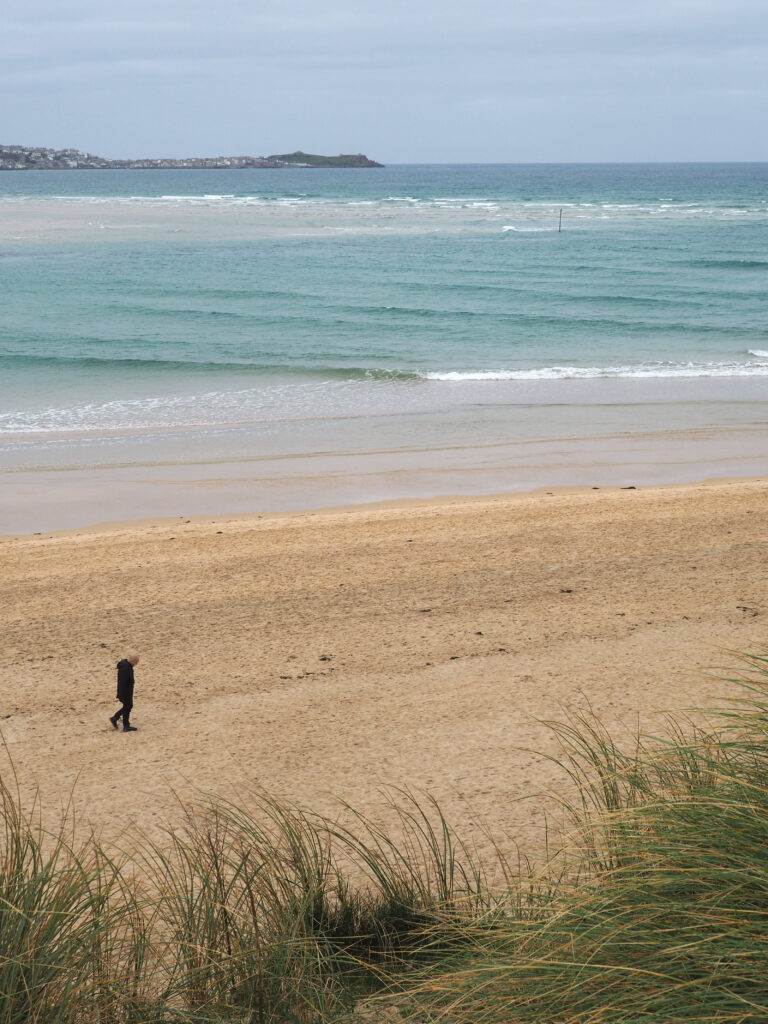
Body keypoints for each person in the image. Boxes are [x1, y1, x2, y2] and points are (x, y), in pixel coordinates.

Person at [110, 654, 139, 732]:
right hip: (125, 691)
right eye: (136, 663)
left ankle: (117, 719)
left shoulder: (125, 666)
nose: (135, 665)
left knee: (128, 706)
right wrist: (124, 694)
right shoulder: (126, 668)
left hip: (125, 691)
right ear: (132, 661)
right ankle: (125, 725)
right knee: (128, 706)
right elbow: (123, 682)